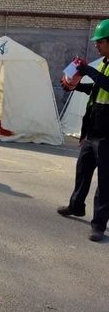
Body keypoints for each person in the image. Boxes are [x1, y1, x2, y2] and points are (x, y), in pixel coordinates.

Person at [58, 19, 109, 242]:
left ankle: (98, 225)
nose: (96, 45)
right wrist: (75, 86)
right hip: (93, 132)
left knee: (106, 182)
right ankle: (76, 205)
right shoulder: (105, 64)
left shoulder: (100, 68)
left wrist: (87, 69)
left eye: (100, 41)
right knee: (82, 172)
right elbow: (98, 88)